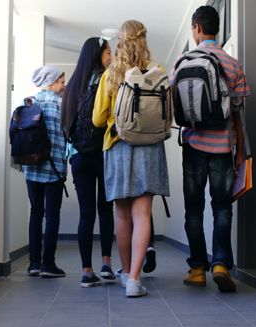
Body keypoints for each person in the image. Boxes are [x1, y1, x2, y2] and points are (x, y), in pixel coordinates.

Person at [171, 6, 251, 292]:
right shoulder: (232, 63)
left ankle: (196, 269)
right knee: (222, 207)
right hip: (222, 147)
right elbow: (239, 111)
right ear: (216, 28)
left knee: (194, 209)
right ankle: (220, 264)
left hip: (193, 145)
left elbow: (173, 103)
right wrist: (240, 150)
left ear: (195, 28)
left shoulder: (181, 62)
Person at [92, 20, 170, 297]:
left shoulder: (111, 74)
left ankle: (126, 273)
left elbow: (98, 117)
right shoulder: (158, 71)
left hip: (118, 145)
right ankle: (136, 279)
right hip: (150, 147)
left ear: (120, 42)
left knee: (122, 214)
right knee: (143, 213)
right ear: (144, 39)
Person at [61, 37, 116, 288]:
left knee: (86, 214)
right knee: (105, 209)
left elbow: (66, 126)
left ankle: (86, 271)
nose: (111, 58)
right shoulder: (105, 80)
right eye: (108, 53)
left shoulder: (71, 86)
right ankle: (106, 264)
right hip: (103, 152)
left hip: (79, 157)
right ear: (98, 55)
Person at [24, 65, 68, 278]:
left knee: (35, 213)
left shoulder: (28, 103)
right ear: (51, 82)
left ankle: (33, 263)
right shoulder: (60, 104)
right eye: (61, 81)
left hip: (31, 168)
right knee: (52, 216)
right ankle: (48, 264)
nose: (63, 86)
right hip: (54, 168)